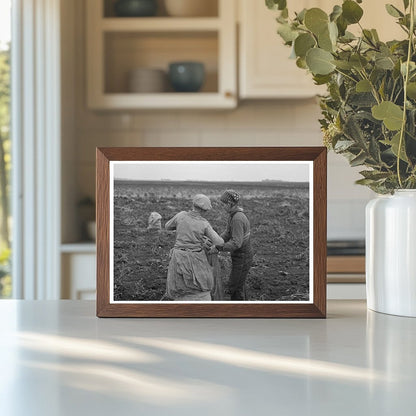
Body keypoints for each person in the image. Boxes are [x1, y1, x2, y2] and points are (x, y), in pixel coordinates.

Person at [165, 194, 224, 301]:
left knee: (179, 284)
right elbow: (219, 242)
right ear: (204, 210)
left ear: (193, 205)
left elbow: (167, 226)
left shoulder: (181, 215)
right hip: (196, 258)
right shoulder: (204, 223)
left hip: (178, 256)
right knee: (200, 284)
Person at [212, 189, 253, 301]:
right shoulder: (232, 215)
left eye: (223, 204)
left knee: (234, 287)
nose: (222, 207)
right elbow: (227, 233)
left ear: (229, 204)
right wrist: (216, 240)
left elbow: (236, 243)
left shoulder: (238, 219)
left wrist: (218, 247)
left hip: (243, 257)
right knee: (239, 284)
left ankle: (239, 311)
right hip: (239, 256)